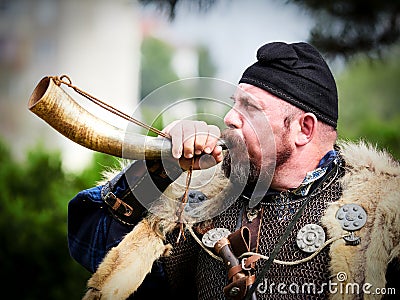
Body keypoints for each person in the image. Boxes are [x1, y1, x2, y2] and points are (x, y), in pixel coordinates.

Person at [68, 42, 399, 300]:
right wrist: (162, 168)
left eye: (250, 108)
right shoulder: (202, 206)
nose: (229, 118)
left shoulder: (383, 217)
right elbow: (90, 245)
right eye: (235, 103)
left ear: (304, 129)